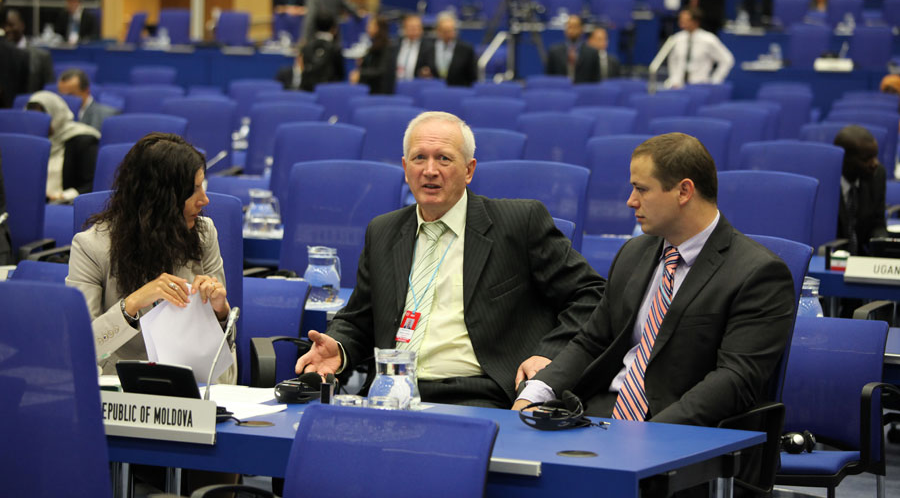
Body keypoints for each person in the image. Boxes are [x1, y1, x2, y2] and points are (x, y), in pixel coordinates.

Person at [294, 111, 605, 408]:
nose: (430, 170)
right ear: (405, 167)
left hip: (479, 393)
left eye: (444, 158)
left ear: (469, 170)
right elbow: (359, 319)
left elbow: (590, 295)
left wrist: (549, 355)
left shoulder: (519, 223)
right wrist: (340, 347)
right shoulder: (383, 231)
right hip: (389, 392)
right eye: (419, 158)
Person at [513, 132, 794, 426]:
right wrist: (534, 395)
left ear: (684, 191)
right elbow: (592, 342)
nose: (630, 201)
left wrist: (650, 435)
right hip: (599, 417)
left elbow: (735, 380)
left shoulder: (758, 274)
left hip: (680, 430)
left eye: (642, 189)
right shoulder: (634, 253)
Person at [66, 133, 234, 377]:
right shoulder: (91, 247)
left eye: (202, 187)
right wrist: (132, 304)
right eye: (193, 190)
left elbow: (224, 345)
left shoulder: (203, 233)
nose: (204, 200)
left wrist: (220, 311)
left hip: (194, 378)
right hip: (123, 382)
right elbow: (80, 346)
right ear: (161, 197)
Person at [25, 91, 99, 201]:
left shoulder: (83, 141)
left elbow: (92, 184)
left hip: (66, 203)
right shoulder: (31, 142)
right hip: (34, 200)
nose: (37, 124)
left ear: (55, 115)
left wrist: (64, 196)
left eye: (42, 118)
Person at [834, 125, 888, 255]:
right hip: (831, 256)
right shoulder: (824, 183)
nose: (875, 163)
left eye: (875, 156)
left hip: (863, 257)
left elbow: (878, 223)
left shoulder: (877, 175)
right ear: (844, 159)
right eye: (866, 159)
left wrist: (881, 241)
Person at [659, 7, 734, 88]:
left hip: (700, 86)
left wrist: (715, 81)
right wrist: (674, 78)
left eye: (686, 20)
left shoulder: (709, 39)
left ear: (695, 21)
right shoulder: (677, 38)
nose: (681, 22)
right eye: (681, 19)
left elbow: (727, 60)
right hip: (679, 86)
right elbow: (672, 60)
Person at [419, 13, 477, 87]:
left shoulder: (466, 49)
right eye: (444, 31)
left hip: (458, 89)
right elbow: (423, 69)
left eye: (450, 30)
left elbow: (473, 76)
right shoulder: (428, 48)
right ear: (438, 31)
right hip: (435, 89)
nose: (448, 34)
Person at [3, 8, 54, 92]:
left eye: (11, 25)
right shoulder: (2, 54)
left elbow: (49, 90)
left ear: (22, 25)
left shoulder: (42, 57)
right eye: (4, 26)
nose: (7, 29)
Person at [57, 68, 119, 132]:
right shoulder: (56, 115)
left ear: (86, 90)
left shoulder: (106, 116)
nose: (65, 99)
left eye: (70, 95)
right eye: (61, 95)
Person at [299, 13, 345, 91]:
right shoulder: (336, 49)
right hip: (329, 91)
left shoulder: (306, 47)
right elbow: (341, 75)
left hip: (308, 89)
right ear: (333, 29)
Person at [349, 16, 393, 94]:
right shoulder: (374, 45)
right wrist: (363, 62)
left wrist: (361, 74)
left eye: (370, 25)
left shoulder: (386, 47)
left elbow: (381, 70)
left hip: (380, 91)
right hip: (371, 87)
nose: (367, 28)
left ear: (378, 28)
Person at [546, 15, 596, 82]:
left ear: (581, 29)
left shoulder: (592, 53)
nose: (572, 30)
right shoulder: (554, 52)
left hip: (583, 87)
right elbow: (549, 79)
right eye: (569, 27)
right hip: (560, 87)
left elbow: (596, 81)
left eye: (575, 27)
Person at [391, 14, 430, 87]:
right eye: (411, 27)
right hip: (396, 84)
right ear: (404, 29)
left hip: (417, 85)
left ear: (421, 29)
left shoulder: (428, 47)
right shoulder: (395, 45)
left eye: (417, 27)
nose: (414, 30)